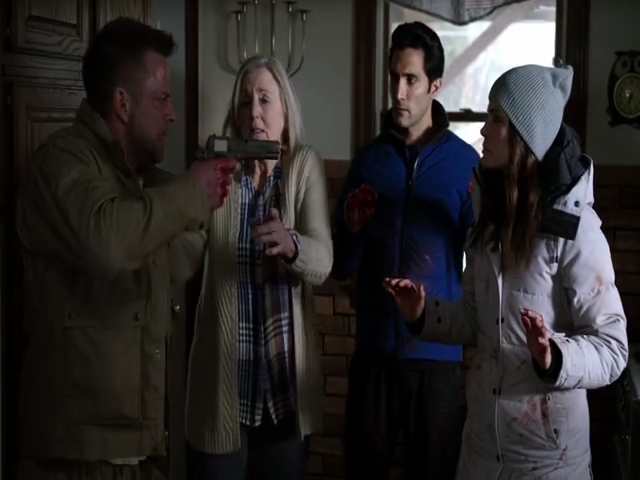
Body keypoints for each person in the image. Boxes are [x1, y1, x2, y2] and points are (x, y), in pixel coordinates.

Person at [384, 64, 629, 479]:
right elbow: (474, 320)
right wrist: (423, 315)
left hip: (549, 462)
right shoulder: (489, 220)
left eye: (496, 118)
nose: (483, 130)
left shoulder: (576, 229)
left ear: (524, 136)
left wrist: (555, 356)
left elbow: (613, 348)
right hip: (480, 453)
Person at [16, 17, 235, 480]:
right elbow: (110, 244)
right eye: (161, 99)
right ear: (122, 103)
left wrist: (199, 206)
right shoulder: (61, 163)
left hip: (143, 445)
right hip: (77, 458)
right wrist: (189, 195)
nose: (172, 114)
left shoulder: (143, 182)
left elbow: (174, 263)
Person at [332, 21, 480, 480]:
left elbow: (484, 261)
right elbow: (340, 264)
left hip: (437, 360)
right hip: (374, 355)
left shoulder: (466, 166)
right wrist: (351, 228)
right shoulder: (369, 160)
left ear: (435, 86)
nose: (398, 92)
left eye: (411, 80)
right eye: (394, 77)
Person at [185, 55, 332, 480]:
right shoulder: (219, 172)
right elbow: (186, 257)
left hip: (283, 390)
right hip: (224, 388)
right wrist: (189, 195)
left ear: (285, 110)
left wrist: (291, 244)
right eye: (245, 102)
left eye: (265, 100)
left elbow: (323, 261)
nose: (254, 113)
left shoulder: (303, 165)